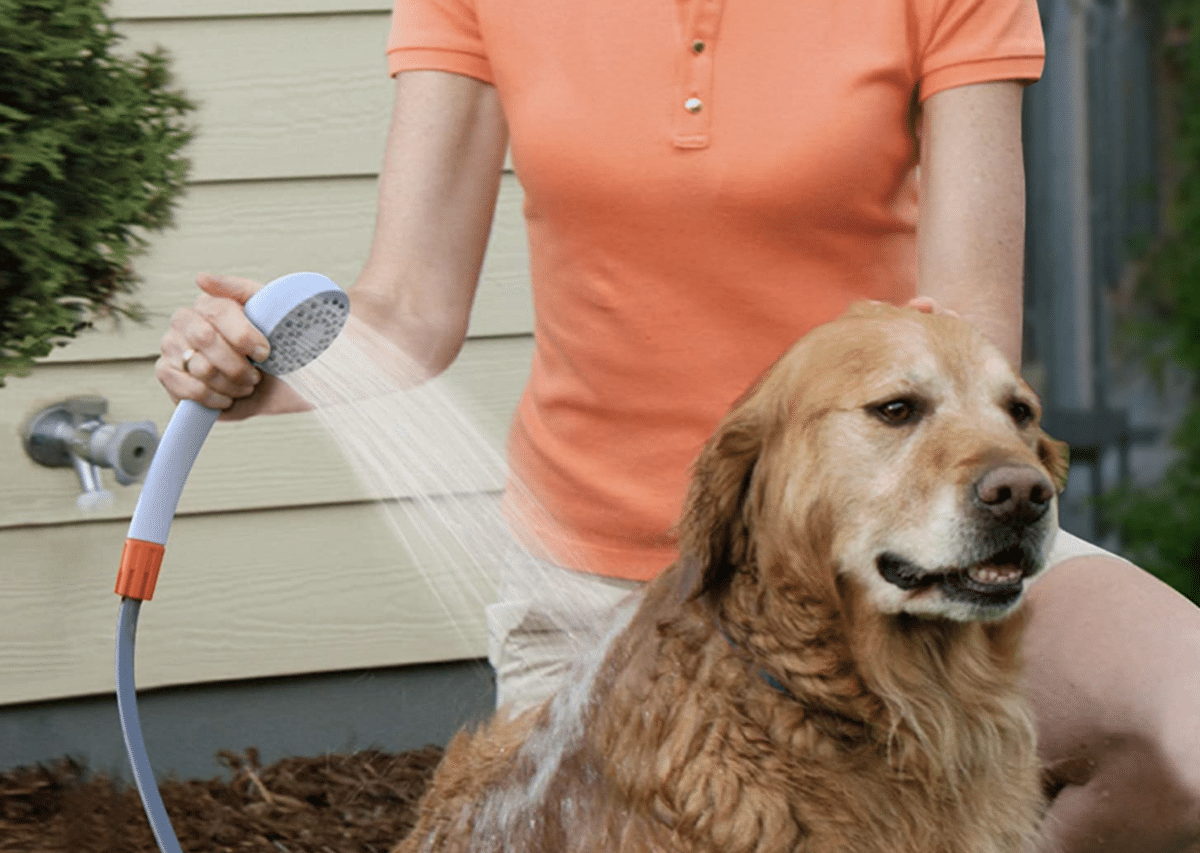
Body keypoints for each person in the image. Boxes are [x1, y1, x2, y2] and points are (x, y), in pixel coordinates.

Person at [157, 0, 1200, 850]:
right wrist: (272, 368)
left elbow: (966, 333)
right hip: (597, 590)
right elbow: (406, 312)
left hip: (894, 545)